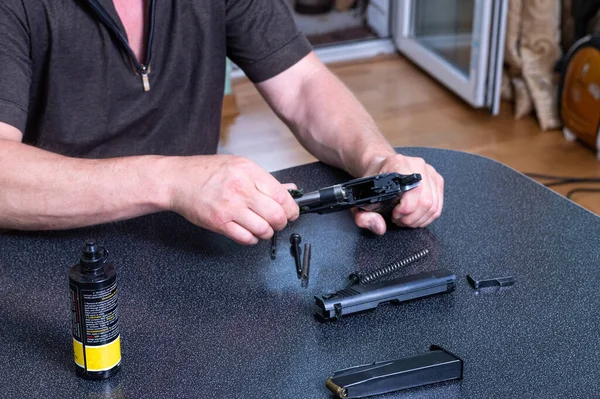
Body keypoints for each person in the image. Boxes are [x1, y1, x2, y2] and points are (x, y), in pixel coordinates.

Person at [0, 0, 444, 245]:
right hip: (52, 254)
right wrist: (170, 181)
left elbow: (304, 85)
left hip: (190, 243)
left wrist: (377, 159)